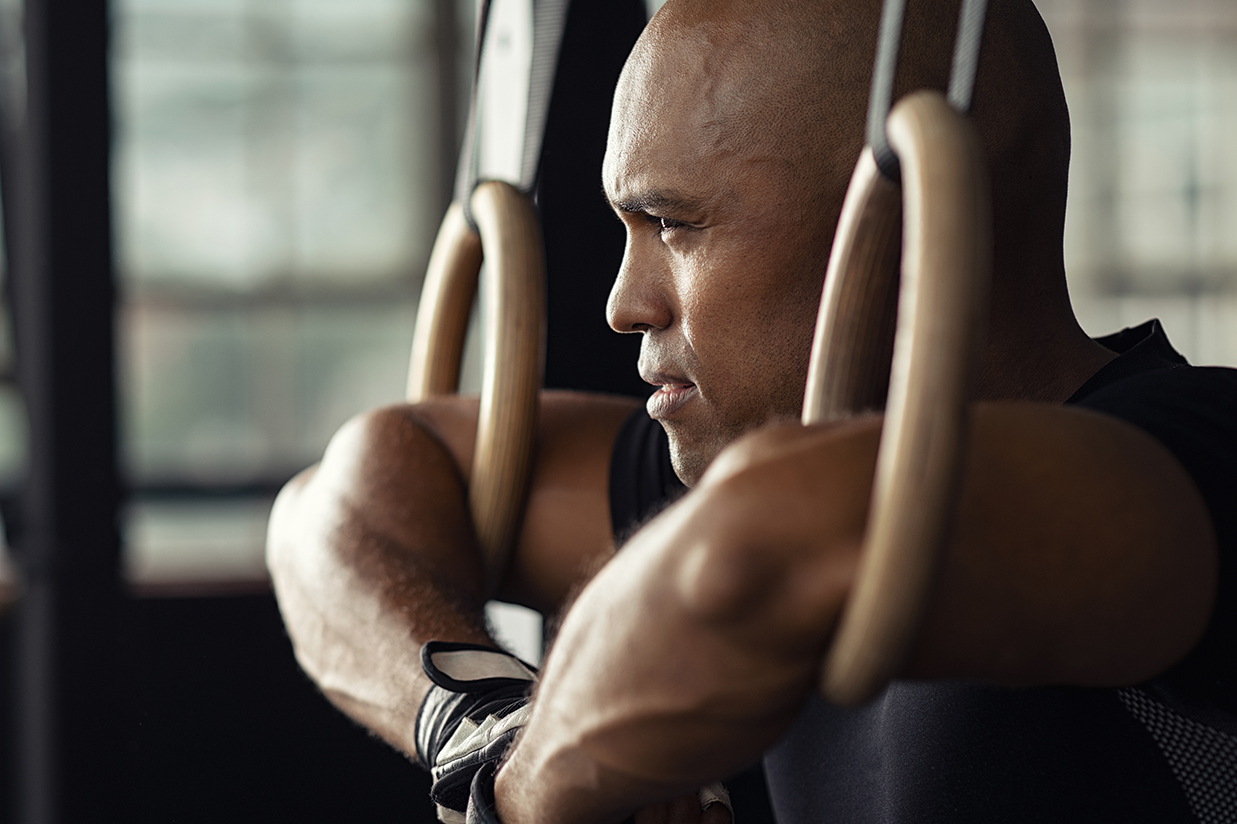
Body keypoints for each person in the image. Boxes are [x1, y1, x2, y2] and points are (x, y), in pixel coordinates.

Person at [266, 0, 1237, 821]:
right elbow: (347, 493)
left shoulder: (1193, 454)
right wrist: (487, 729)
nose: (621, 301)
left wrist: (544, 783)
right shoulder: (757, 445)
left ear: (898, 209)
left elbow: (769, 547)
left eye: (673, 224)